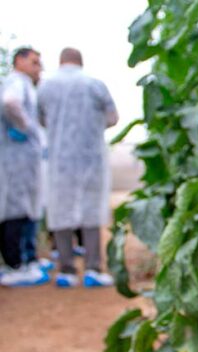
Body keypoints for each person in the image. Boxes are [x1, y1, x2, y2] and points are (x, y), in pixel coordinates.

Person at [38, 47, 119, 288]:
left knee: (60, 211)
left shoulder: (46, 87)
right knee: (91, 211)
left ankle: (66, 270)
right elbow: (113, 118)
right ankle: (93, 269)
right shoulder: (95, 85)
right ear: (80, 62)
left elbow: (40, 119)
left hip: (59, 159)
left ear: (61, 61)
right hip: (90, 157)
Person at [0, 47, 50, 286]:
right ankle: (15, 265)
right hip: (16, 159)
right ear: (19, 61)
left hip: (21, 158)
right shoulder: (16, 82)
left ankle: (27, 260)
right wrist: (26, 129)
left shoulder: (23, 83)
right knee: (16, 210)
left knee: (27, 208)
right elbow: (10, 102)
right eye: (34, 62)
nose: (38, 67)